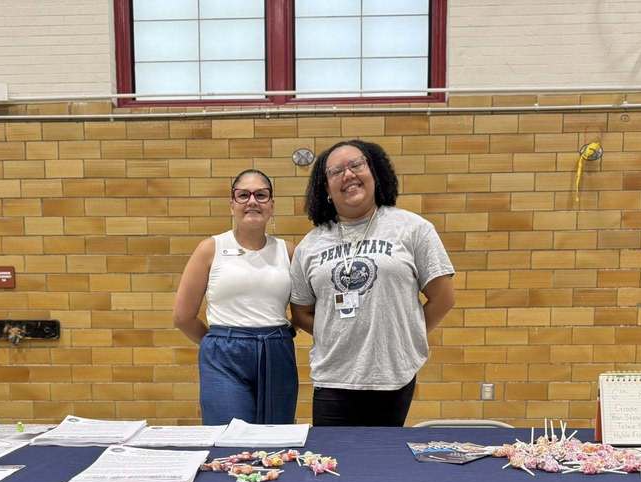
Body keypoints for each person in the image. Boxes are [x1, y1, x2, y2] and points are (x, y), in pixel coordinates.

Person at [290, 140, 455, 427]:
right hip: (334, 376)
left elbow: (443, 299)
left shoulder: (413, 229)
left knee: (381, 463)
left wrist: (401, 332)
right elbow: (301, 312)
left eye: (356, 165)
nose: (348, 175)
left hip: (391, 374)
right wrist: (339, 332)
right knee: (331, 463)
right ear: (326, 189)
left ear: (375, 173)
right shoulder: (311, 245)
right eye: (336, 171)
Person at [173, 169, 298, 425]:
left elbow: (303, 309)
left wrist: (281, 335)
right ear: (232, 204)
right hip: (224, 353)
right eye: (243, 195)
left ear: (272, 205)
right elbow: (183, 317)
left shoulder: (289, 251)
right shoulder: (210, 248)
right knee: (228, 439)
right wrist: (217, 343)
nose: (252, 201)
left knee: (276, 439)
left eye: (261, 195)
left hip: (276, 351)